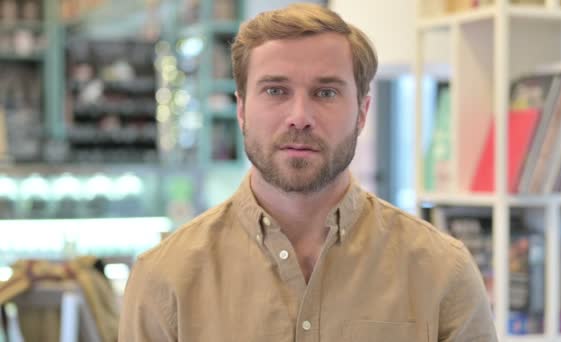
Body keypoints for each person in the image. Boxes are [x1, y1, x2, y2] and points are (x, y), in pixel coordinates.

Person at [118, 3, 498, 341]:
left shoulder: (442, 271)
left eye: (326, 92)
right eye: (275, 91)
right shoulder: (164, 279)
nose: (299, 117)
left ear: (363, 112)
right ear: (241, 109)